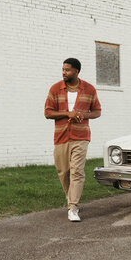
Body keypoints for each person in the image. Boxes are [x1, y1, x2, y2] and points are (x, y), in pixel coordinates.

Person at [44, 58, 101, 222]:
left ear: (76, 71)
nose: (64, 72)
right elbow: (48, 113)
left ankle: (73, 208)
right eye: (63, 69)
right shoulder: (55, 89)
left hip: (81, 137)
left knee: (77, 171)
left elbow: (97, 111)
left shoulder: (89, 89)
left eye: (67, 70)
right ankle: (72, 201)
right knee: (64, 172)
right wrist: (67, 113)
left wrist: (84, 115)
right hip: (61, 136)